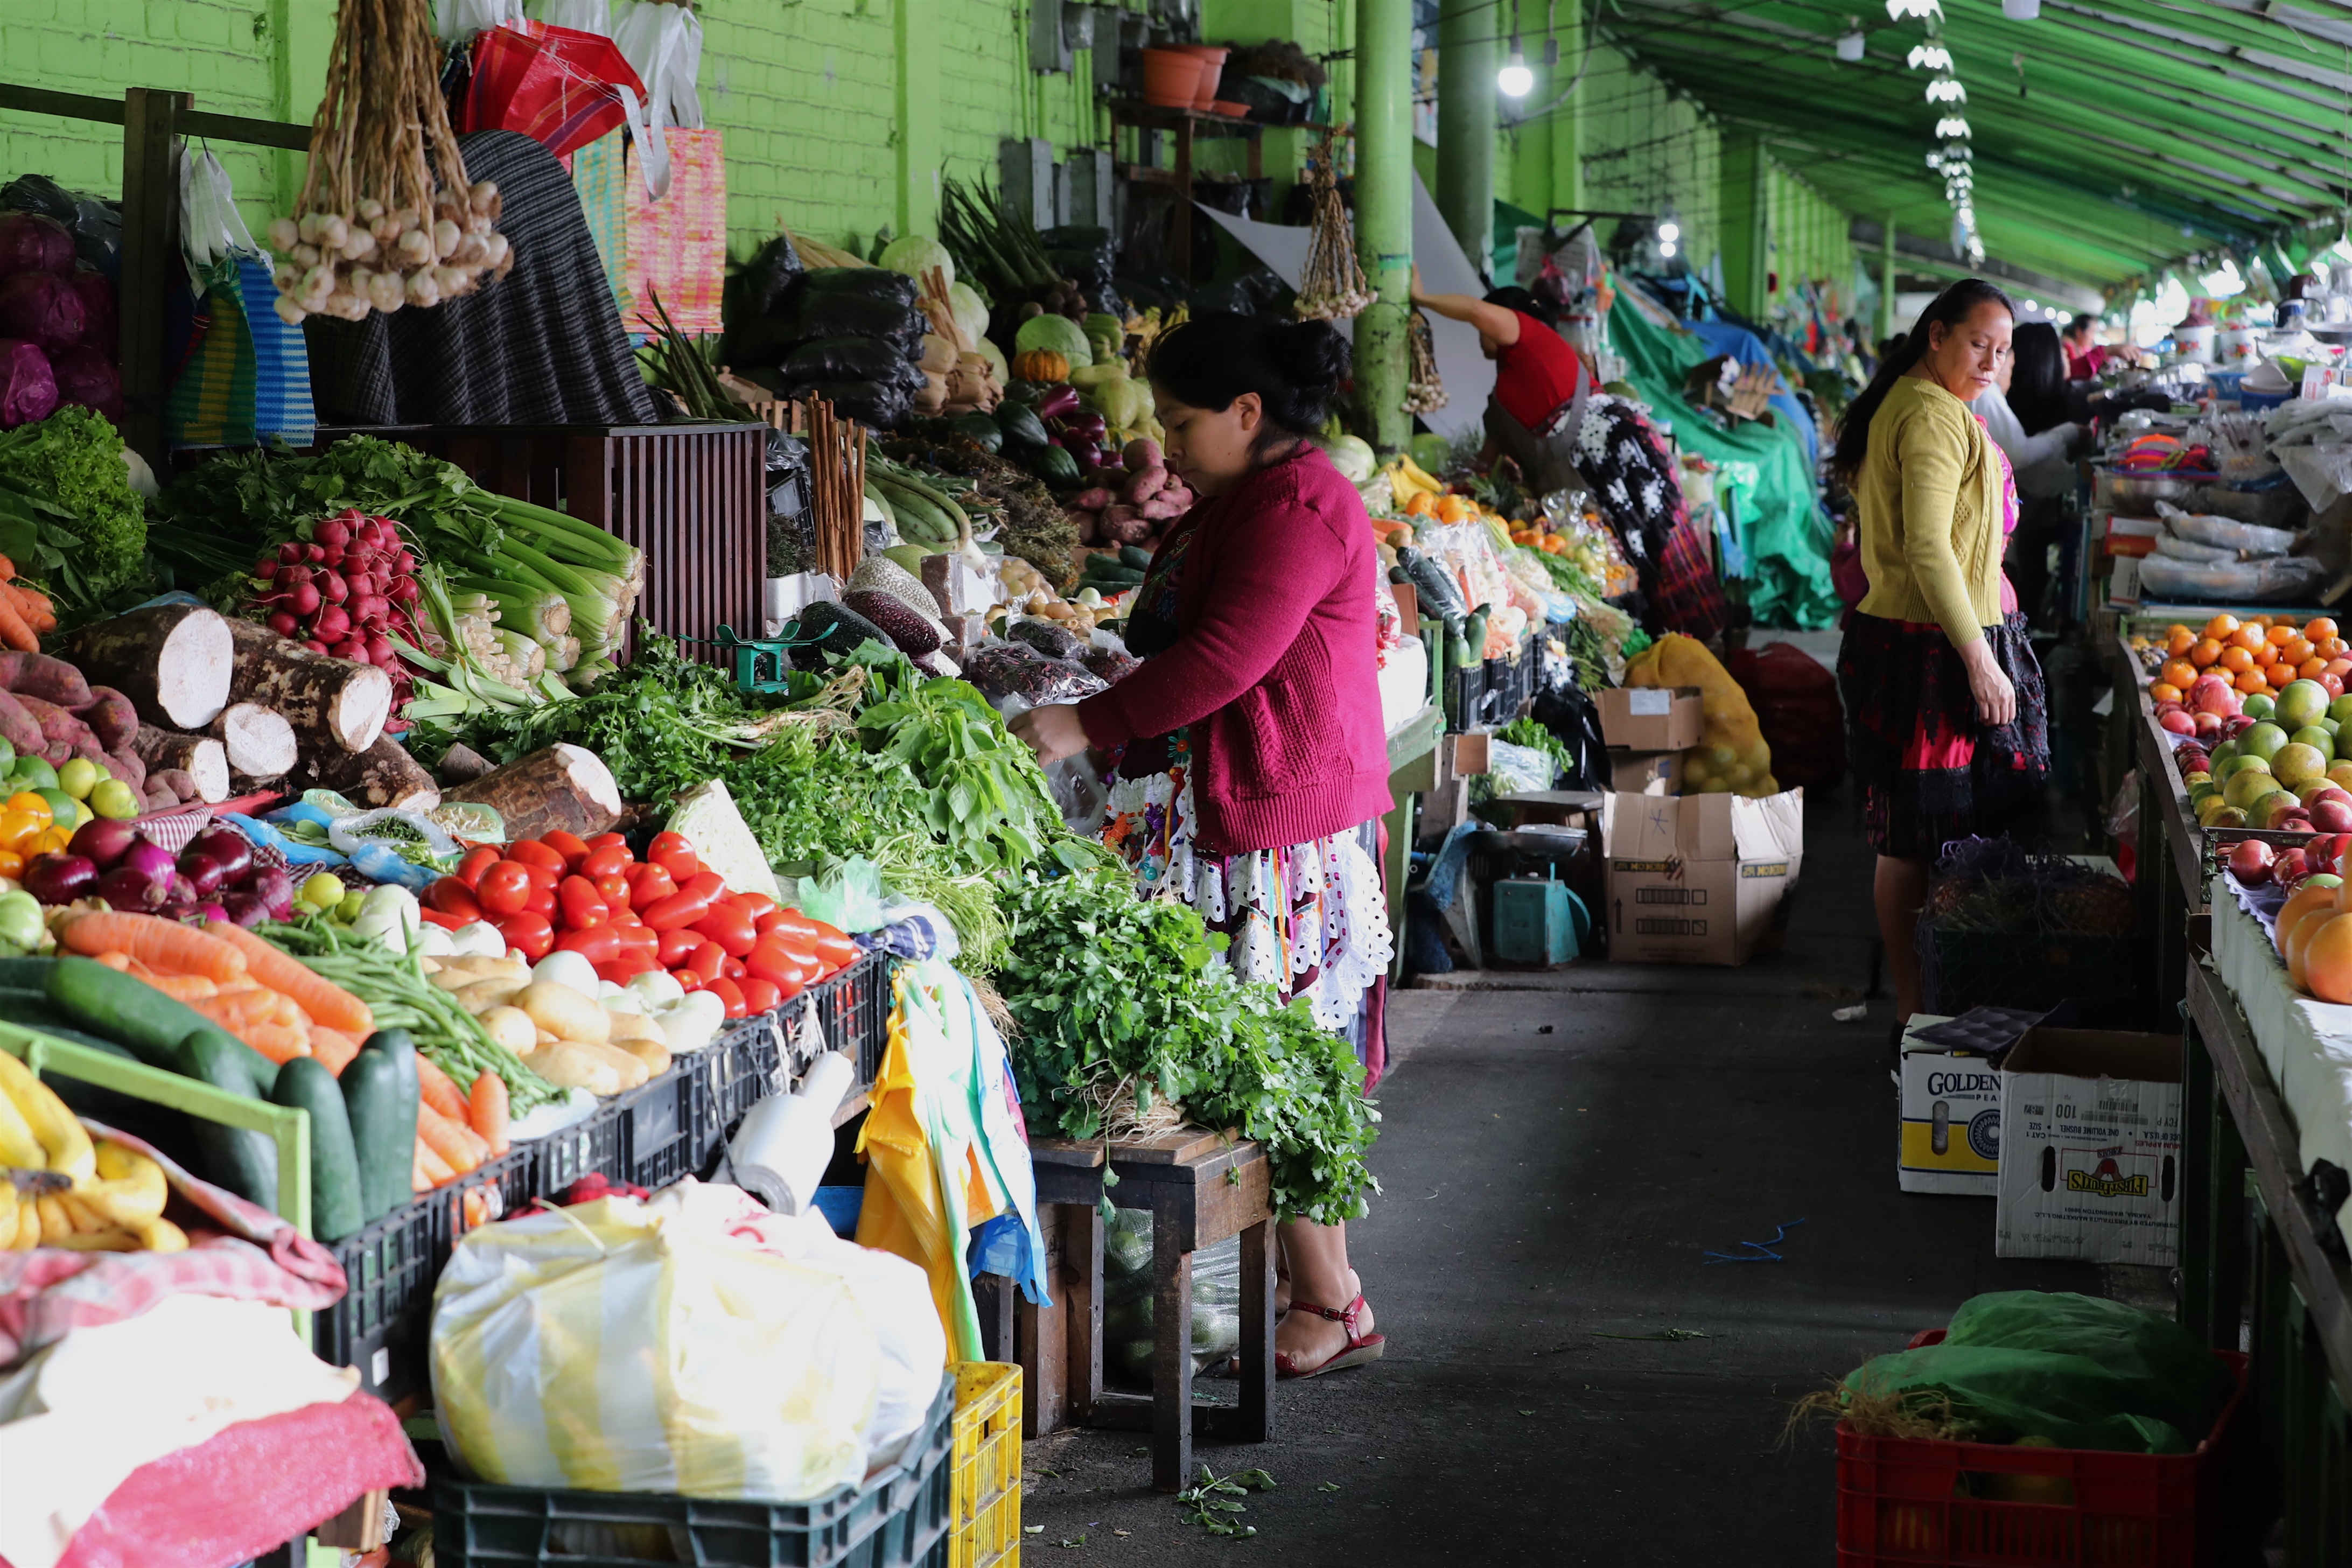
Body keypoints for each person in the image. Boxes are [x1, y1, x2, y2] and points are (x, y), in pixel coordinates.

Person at [1006, 312, 1395, 1380]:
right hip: (1235, 808)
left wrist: (1084, 723)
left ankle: (1332, 1298)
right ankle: (1300, 1283)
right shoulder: (1250, 493)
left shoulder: (1301, 505)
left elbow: (1228, 656)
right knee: (1250, 1054)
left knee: (1269, 1061)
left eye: (1181, 420)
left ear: (1249, 412)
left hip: (1278, 820)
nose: (1166, 441)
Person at [1830, 279, 2050, 1023]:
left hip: (1927, 643)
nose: (1991, 361)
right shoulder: (1928, 417)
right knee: (1912, 843)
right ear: (1936, 335)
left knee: (1932, 838)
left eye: (2004, 348)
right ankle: (1917, 1012)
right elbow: (1926, 546)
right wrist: (1980, 660)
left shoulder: (1931, 405)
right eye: (1977, 343)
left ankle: (1929, 1001)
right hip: (1926, 655)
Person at [1409, 269, 1729, 640]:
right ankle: (1673, 641)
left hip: (1617, 456)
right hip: (1590, 470)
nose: (1483, 334)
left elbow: (1477, 312)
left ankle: (1701, 638)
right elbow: (1486, 460)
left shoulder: (1528, 336)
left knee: (1659, 547)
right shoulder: (1507, 393)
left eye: (1486, 326)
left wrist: (1422, 298)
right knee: (1639, 557)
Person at [1973, 321, 2083, 622]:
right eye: (2004, 354)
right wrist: (2071, 434)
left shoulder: (1997, 396)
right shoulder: (1986, 394)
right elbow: (2020, 454)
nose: (2006, 364)